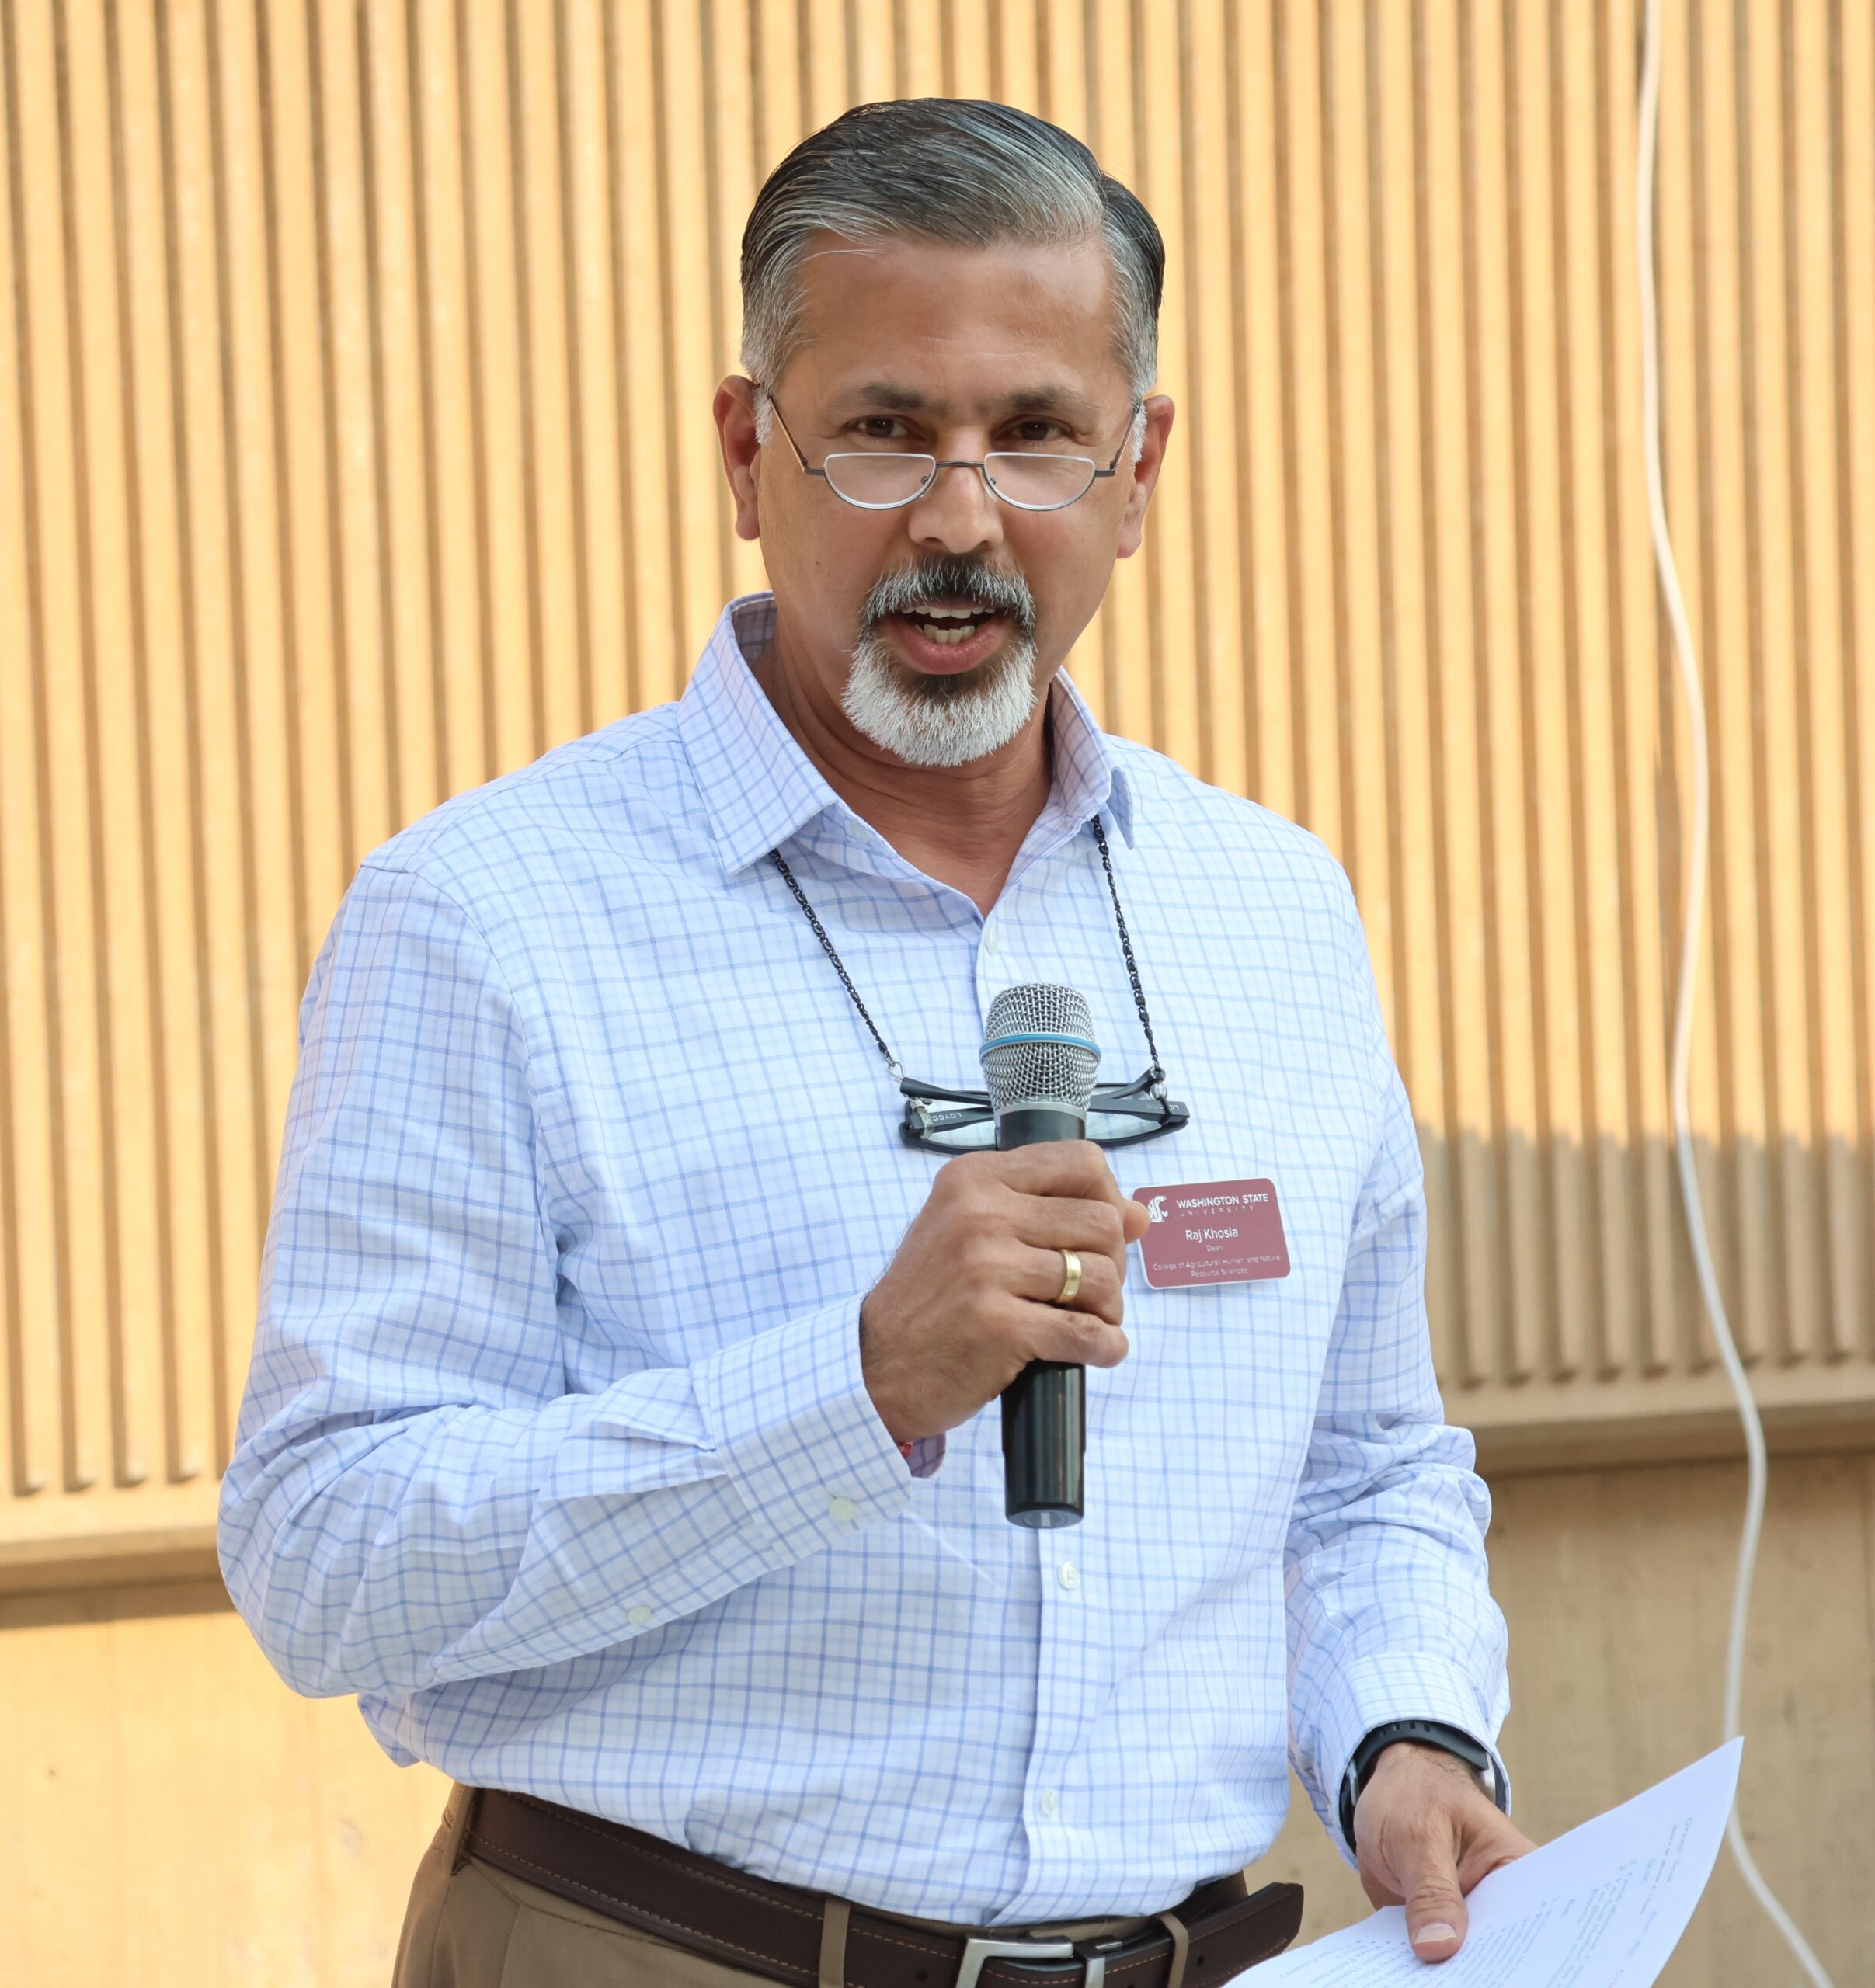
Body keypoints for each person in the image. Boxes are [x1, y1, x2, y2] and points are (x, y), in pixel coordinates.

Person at [218, 98, 1530, 1988]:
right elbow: (326, 1549)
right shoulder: (488, 916)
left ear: (1138, 469)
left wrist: (1403, 1732)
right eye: (883, 433)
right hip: (655, 1949)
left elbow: (1368, 1468)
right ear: (747, 451)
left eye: (1033, 437)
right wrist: (853, 1390)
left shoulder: (1272, 909)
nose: (957, 517)